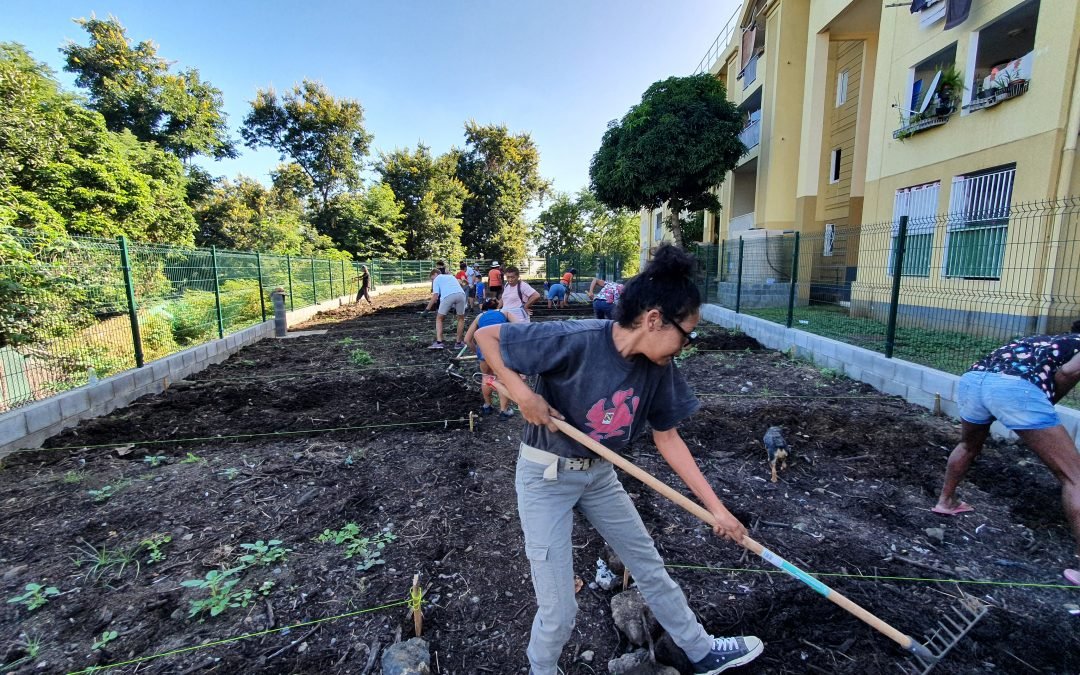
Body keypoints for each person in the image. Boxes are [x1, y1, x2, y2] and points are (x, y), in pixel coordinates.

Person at [474, 245, 763, 675]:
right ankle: (541, 669)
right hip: (545, 475)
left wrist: (716, 510)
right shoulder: (576, 339)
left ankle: (701, 652)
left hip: (600, 477)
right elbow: (486, 336)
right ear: (653, 320)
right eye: (686, 334)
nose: (685, 347)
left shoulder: (658, 368)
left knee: (649, 566)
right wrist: (524, 395)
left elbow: (669, 439)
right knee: (558, 608)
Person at [933, 326, 1080, 586]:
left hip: (973, 380)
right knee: (1074, 476)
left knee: (968, 444)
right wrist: (1046, 401)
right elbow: (1069, 372)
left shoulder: (1044, 340)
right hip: (1015, 388)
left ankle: (946, 501)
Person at [464, 298, 513, 420]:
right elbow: (519, 328)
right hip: (499, 349)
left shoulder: (480, 317)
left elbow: (467, 340)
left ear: (483, 307)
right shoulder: (504, 313)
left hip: (484, 350)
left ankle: (487, 406)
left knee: (486, 377)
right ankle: (504, 411)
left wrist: (478, 351)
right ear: (498, 306)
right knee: (502, 379)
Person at [424, 268, 468, 350]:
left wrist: (427, 310)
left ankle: (439, 342)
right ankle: (458, 343)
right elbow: (460, 284)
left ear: (434, 274)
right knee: (461, 318)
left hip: (448, 296)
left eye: (432, 278)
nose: (432, 281)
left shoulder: (437, 279)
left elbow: (435, 296)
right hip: (461, 295)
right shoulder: (450, 276)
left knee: (439, 318)